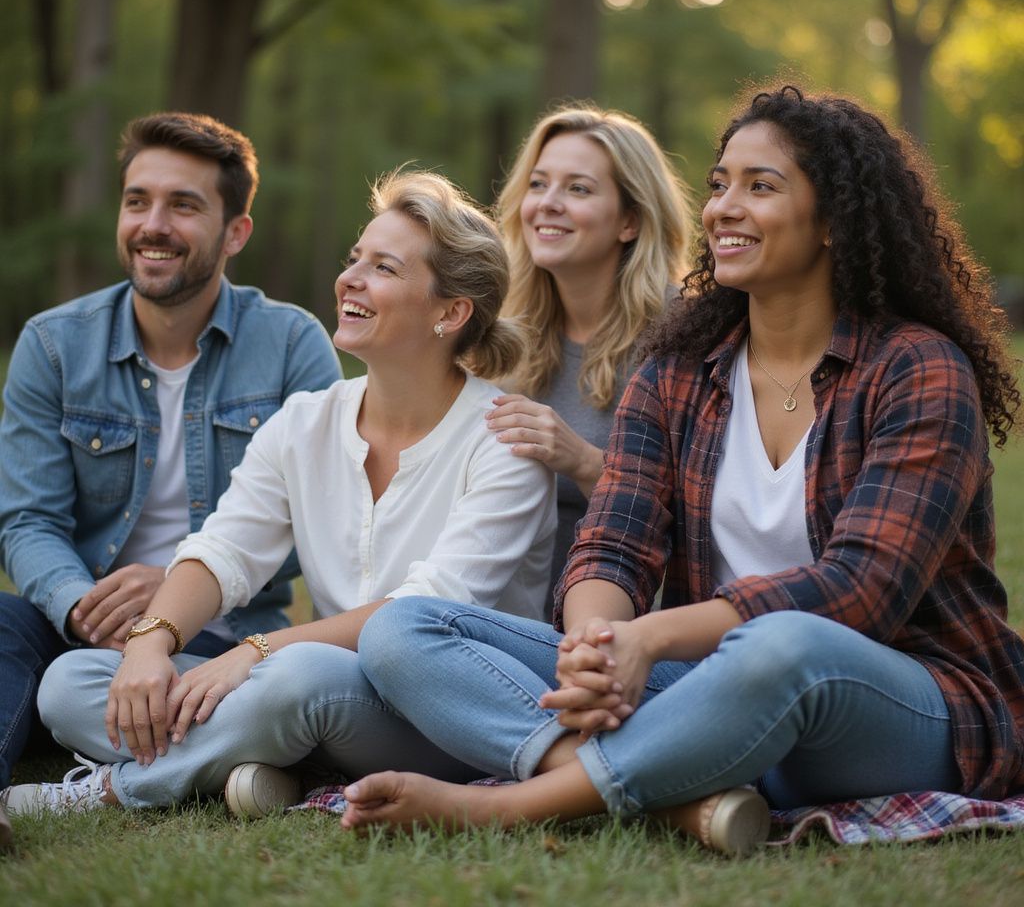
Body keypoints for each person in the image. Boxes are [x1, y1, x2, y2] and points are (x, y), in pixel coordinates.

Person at [337, 85, 1024, 856]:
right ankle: (683, 781)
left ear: (835, 219)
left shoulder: (917, 371)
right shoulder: (676, 371)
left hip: (899, 698)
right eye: (720, 184)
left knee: (783, 646)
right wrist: (598, 646)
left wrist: (651, 639)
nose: (724, 206)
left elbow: (859, 590)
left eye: (760, 187)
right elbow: (614, 539)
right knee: (404, 628)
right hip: (705, 690)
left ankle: (512, 805)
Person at [4, 169, 556, 820]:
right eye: (355, 259)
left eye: (383, 268)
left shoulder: (503, 440)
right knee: (73, 683)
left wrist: (252, 652)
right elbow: (225, 548)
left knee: (298, 679)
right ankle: (264, 761)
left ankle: (117, 790)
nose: (350, 278)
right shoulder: (306, 421)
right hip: (323, 698)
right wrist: (152, 643)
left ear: (450, 312)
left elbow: (423, 612)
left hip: (447, 716)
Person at [0, 112, 341, 847]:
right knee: (2, 626)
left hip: (223, 636)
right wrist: (83, 611)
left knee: (290, 683)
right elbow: (26, 522)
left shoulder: (291, 344)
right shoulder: (54, 346)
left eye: (183, 205)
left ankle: (139, 757)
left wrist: (178, 588)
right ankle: (240, 766)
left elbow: (323, 520)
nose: (152, 225)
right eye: (137, 201)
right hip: (81, 623)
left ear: (235, 232)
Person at [486, 106, 692, 611]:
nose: (548, 204)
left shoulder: (684, 331)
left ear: (630, 220)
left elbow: (702, 515)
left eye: (578, 189)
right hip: (504, 612)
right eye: (538, 184)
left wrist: (580, 458)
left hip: (632, 625)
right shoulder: (501, 327)